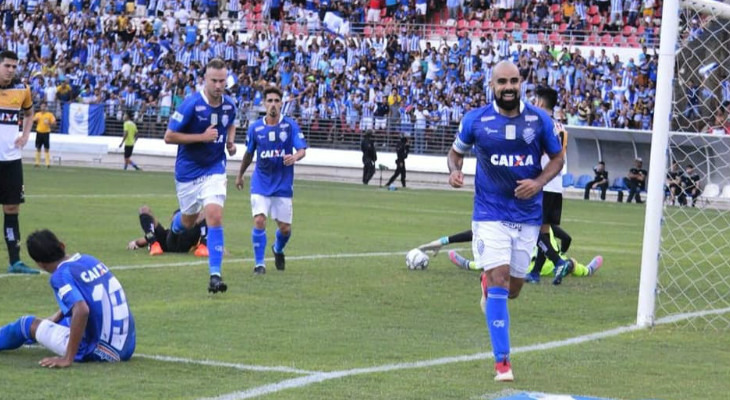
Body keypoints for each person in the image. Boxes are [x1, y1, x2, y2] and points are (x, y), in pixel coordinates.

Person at [447, 61, 564, 382]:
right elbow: (455, 152)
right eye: (502, 82)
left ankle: (486, 286)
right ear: (492, 84)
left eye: (514, 80)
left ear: (521, 83)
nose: (509, 86)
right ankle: (502, 362)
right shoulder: (476, 120)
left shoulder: (539, 120)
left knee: (513, 289)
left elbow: (558, 158)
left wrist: (538, 183)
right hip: (489, 212)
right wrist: (454, 170)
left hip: (527, 215)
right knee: (499, 278)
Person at [0, 229, 136, 367]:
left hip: (97, 351)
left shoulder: (60, 276)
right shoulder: (88, 259)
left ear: (39, 263)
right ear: (62, 245)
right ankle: (37, 335)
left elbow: (82, 310)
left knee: (26, 324)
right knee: (66, 320)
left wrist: (67, 358)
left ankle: (28, 335)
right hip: (126, 346)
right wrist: (57, 317)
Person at [164, 58, 237, 293]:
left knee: (214, 214)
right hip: (187, 173)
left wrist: (231, 142)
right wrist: (201, 137)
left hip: (214, 168)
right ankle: (174, 226)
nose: (218, 85)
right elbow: (169, 136)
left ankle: (215, 275)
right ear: (205, 80)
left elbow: (231, 122)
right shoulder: (191, 104)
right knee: (187, 222)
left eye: (222, 81)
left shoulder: (229, 105)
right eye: (214, 80)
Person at [235, 86, 307, 275]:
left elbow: (302, 149)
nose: (273, 105)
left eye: (276, 101)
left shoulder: (290, 125)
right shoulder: (255, 128)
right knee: (259, 220)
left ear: (281, 103)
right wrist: (240, 174)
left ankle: (278, 249)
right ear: (264, 104)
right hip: (261, 180)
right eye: (270, 101)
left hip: (283, 183)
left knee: (285, 229)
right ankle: (259, 264)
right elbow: (249, 153)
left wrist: (295, 157)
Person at [528, 86, 573, 285]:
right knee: (544, 231)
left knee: (530, 229)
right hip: (555, 185)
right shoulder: (561, 127)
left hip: (541, 184)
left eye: (534, 100)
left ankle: (558, 261)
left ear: (540, 102)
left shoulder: (539, 124)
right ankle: (535, 273)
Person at [0, 50, 39, 274]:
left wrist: (25, 135)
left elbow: (29, 113)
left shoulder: (22, 89)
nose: (11, 70)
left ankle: (15, 261)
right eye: (7, 66)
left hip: (11, 159)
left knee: (12, 208)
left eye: (15, 66)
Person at [127, 205, 208, 257]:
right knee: (144, 209)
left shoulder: (194, 228)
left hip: (182, 240)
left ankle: (204, 247)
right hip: (171, 241)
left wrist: (136, 242)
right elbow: (146, 238)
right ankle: (154, 244)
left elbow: (145, 239)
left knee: (203, 214)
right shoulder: (165, 234)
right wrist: (136, 243)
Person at [32, 102, 56, 168]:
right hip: (39, 132)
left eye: (44, 106)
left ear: (46, 107)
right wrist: (35, 120)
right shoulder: (37, 114)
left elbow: (54, 123)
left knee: (46, 148)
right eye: (42, 106)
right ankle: (37, 163)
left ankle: (47, 164)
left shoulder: (49, 115)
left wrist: (50, 123)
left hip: (46, 133)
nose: (43, 108)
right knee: (38, 147)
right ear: (40, 107)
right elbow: (33, 121)